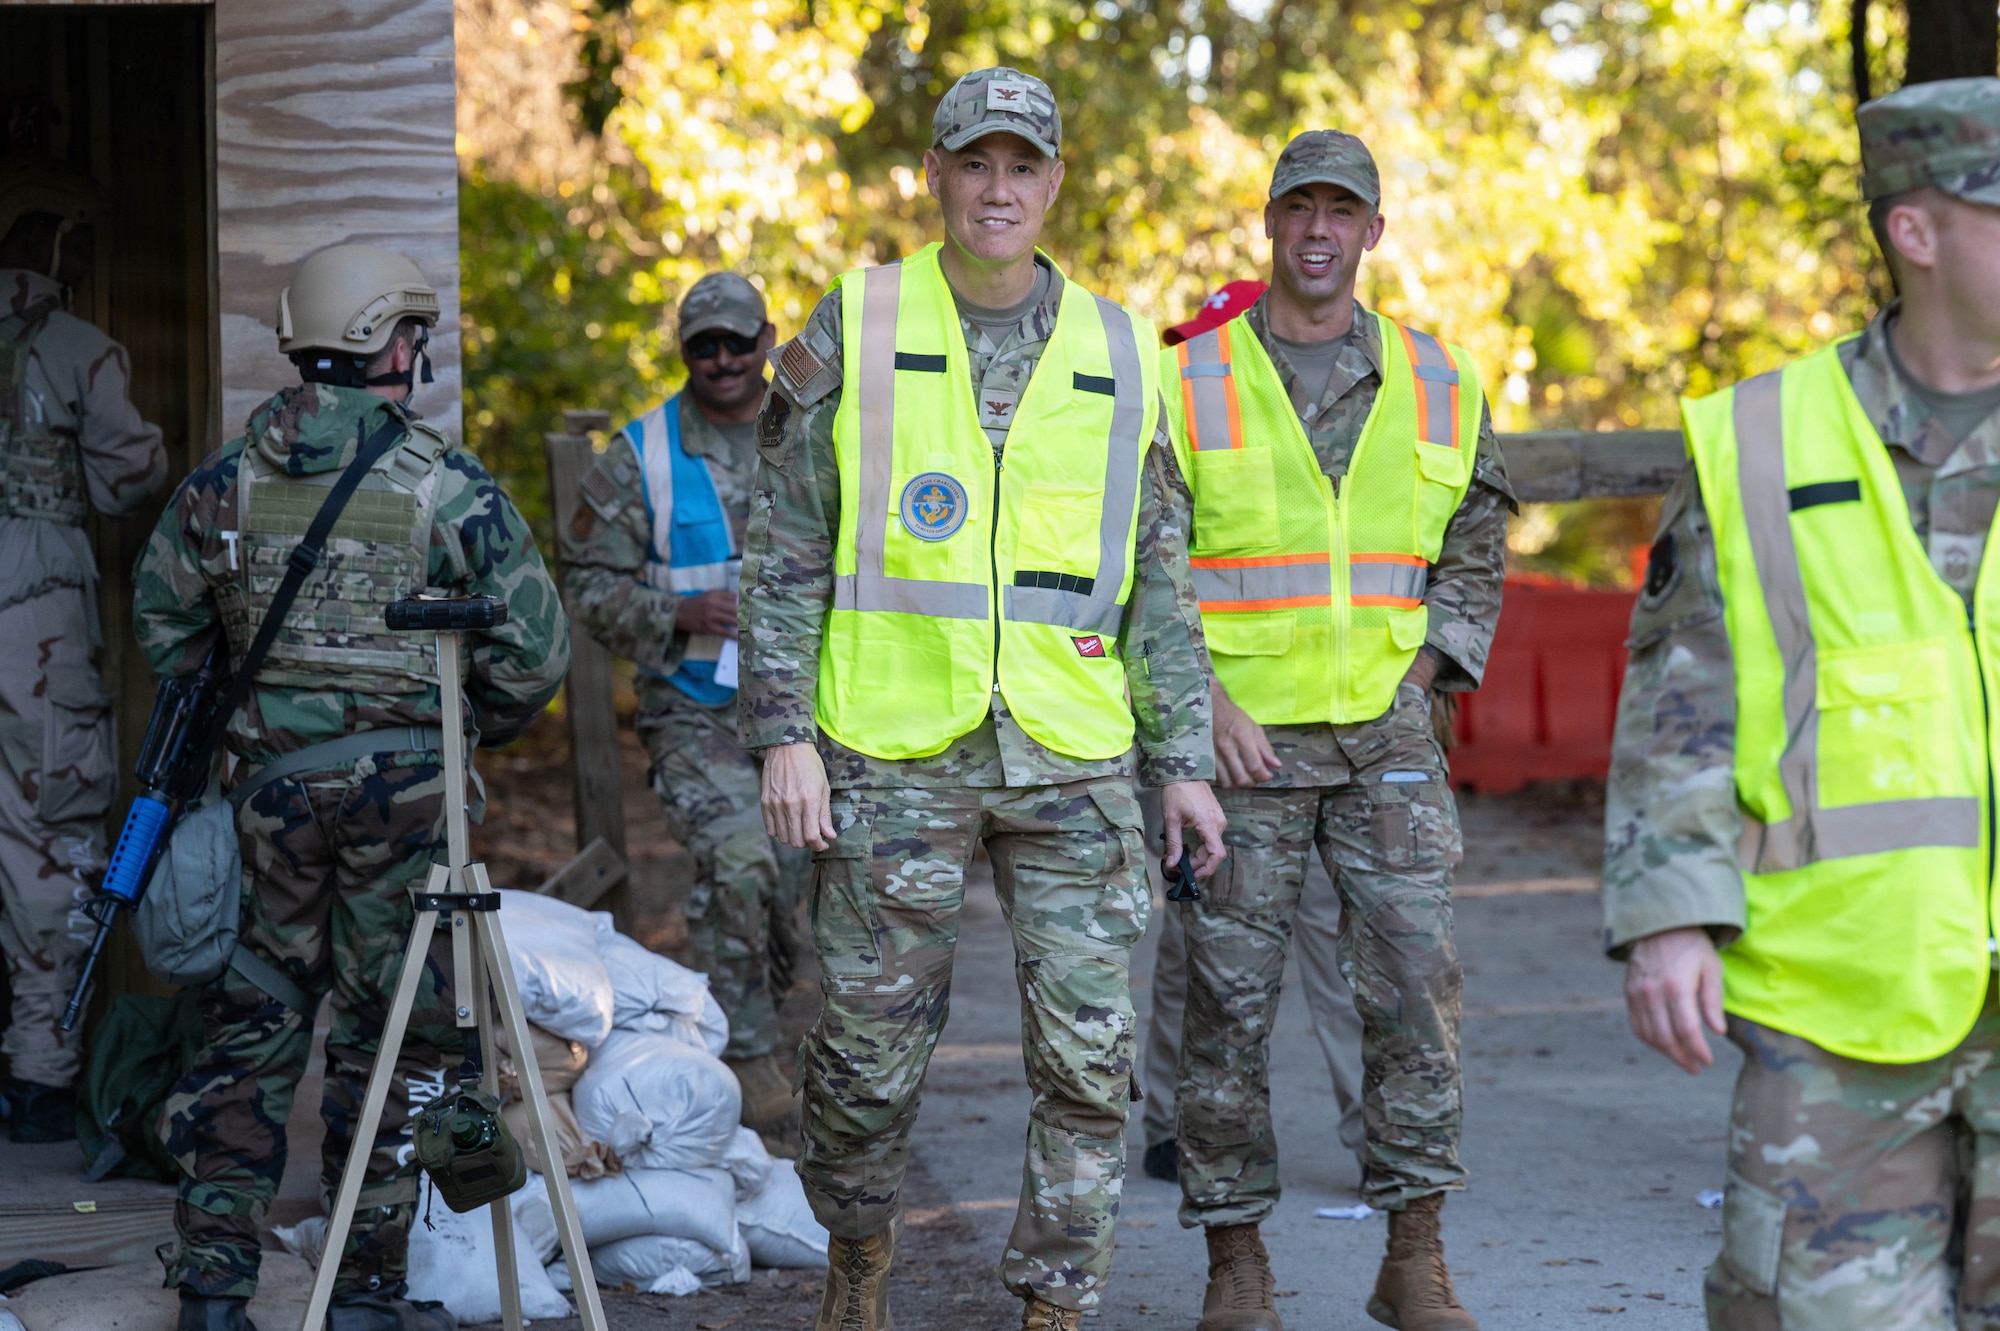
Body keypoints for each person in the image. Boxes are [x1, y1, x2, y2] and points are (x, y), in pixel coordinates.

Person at [742, 66, 1227, 1331]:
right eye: (974, 164)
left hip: (1070, 751)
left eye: (1021, 166)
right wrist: (781, 733)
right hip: (891, 747)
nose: (997, 188)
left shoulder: (1125, 349)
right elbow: (786, 546)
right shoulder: (855, 320)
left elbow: (1159, 582)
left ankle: (1054, 1304)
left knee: (1088, 1057)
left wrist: (1182, 761)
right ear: (936, 178)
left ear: (1054, 182)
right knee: (861, 1057)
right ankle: (859, 1260)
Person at [1606, 76, 2000, 1328]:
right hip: (1837, 1008)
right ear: (1916, 230)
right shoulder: (1763, 438)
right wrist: (1668, 912)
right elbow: (1684, 703)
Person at [135, 244, 569, 1331]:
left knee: (251, 1028)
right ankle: (364, 1288)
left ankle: (214, 1289)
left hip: (269, 799)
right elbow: (538, 653)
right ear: (385, 341)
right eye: (413, 333)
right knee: (397, 1039)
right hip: (411, 806)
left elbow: (164, 625)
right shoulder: (445, 485)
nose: (419, 352)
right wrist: (460, 734)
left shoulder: (223, 481)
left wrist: (261, 708)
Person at [1161, 130, 1514, 1331]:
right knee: (1223, 1010)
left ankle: (1413, 1254)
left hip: (1387, 736)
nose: (1317, 229)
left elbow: (1474, 537)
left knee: (1415, 995)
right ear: (1267, 224)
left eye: (1340, 211)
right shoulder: (1189, 377)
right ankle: (1233, 1269)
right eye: (1296, 207)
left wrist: (1426, 668)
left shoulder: (1440, 377)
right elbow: (1144, 564)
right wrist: (1201, 704)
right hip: (1239, 749)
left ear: (1373, 230)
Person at [560, 270, 810, 1151]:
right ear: (685, 355)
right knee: (742, 861)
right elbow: (587, 585)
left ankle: (746, 1022)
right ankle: (744, 1052)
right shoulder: (644, 455)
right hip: (697, 711)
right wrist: (678, 610)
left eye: (739, 342)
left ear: (767, 340)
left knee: (802, 882)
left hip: (812, 712)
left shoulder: (816, 433)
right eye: (703, 346)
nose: (723, 360)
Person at [0, 161, 166, 1142]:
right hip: (36, 621)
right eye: (82, 241)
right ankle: (40, 1070)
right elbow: (125, 479)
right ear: (48, 239)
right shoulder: (79, 348)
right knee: (51, 831)